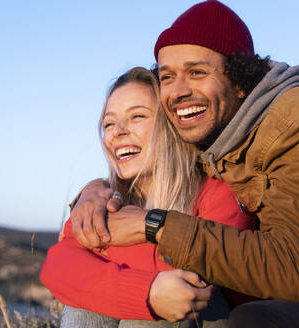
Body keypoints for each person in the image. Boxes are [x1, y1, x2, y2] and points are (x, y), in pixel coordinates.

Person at [71, 1, 299, 326]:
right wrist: (95, 192)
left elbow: (293, 272)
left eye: (196, 72)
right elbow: (146, 158)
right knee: (102, 303)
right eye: (167, 76)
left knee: (253, 322)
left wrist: (154, 225)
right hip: (249, 286)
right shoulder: (202, 121)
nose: (177, 91)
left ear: (239, 80)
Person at [40, 67, 257, 327]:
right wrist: (145, 292)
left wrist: (100, 247)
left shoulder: (219, 193)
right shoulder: (105, 199)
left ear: (171, 125)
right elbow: (56, 267)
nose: (118, 131)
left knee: (157, 308)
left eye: (137, 116)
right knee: (87, 306)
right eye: (109, 123)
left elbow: (191, 279)